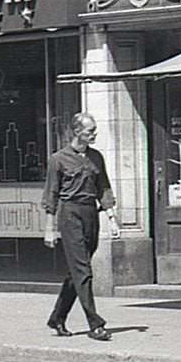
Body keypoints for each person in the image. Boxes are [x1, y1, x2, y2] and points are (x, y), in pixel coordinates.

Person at [41, 113, 116, 340]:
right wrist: (49, 228)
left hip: (90, 213)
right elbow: (51, 194)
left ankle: (57, 317)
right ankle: (95, 324)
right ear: (76, 131)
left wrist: (112, 219)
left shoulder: (96, 157)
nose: (94, 134)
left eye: (94, 130)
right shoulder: (59, 159)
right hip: (70, 213)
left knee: (77, 272)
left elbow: (103, 186)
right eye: (90, 131)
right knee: (83, 270)